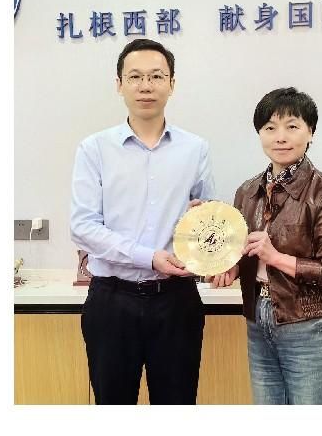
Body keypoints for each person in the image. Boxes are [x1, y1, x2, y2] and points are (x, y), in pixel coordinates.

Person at [70, 38, 215, 404]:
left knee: (177, 406)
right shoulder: (94, 149)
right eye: (135, 76)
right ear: (119, 84)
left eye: (156, 76)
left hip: (177, 301)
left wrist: (207, 235)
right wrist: (148, 257)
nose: (146, 86)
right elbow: (83, 226)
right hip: (111, 301)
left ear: (172, 84)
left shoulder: (195, 149)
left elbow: (209, 218)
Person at [210, 87, 322, 404]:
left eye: (292, 126)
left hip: (309, 323)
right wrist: (228, 265)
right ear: (259, 134)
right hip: (258, 318)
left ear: (310, 132)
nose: (280, 137)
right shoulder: (247, 191)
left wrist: (276, 257)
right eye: (270, 128)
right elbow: (246, 254)